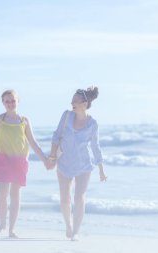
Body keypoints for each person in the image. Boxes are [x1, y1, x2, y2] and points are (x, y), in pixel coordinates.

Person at [0, 89, 48, 238]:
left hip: (19, 162)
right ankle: (2, 223)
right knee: (2, 194)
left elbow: (32, 141)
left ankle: (12, 229)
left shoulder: (24, 120)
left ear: (18, 101)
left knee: (15, 195)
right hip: (3, 161)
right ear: (3, 103)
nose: (10, 103)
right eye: (7, 101)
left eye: (13, 100)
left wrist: (44, 159)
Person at [46, 86, 107, 241]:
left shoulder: (93, 123)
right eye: (72, 100)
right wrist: (52, 158)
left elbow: (95, 146)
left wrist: (101, 169)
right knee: (65, 199)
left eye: (75, 101)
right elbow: (56, 136)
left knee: (79, 197)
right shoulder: (66, 116)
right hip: (64, 163)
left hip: (83, 165)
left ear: (84, 104)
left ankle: (76, 231)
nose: (71, 103)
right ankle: (68, 225)